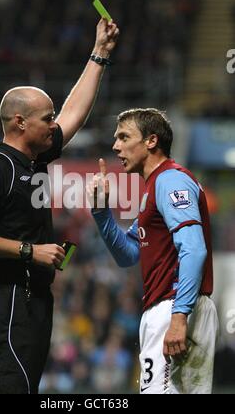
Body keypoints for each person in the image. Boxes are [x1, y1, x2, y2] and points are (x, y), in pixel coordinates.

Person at [0, 18, 119, 394]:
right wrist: (29, 251)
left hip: (35, 301)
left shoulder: (34, 160)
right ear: (20, 122)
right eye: (46, 119)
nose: (54, 124)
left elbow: (73, 115)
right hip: (7, 300)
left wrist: (100, 55)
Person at [87, 108, 219, 394]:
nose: (116, 146)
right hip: (177, 306)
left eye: (124, 137)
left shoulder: (170, 180)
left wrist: (179, 316)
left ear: (151, 141)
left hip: (174, 306)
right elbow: (129, 254)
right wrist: (101, 211)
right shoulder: (156, 187)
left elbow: (194, 249)